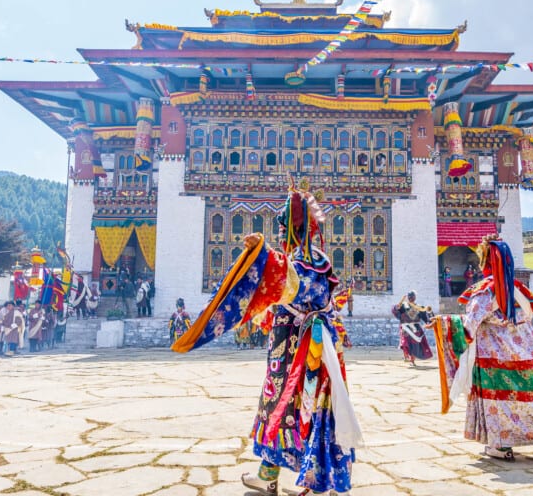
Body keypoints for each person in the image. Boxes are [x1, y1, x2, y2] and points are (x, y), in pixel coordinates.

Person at [171, 181, 361, 496]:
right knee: (289, 409)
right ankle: (275, 476)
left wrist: (261, 254)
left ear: (291, 226)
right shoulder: (312, 259)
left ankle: (309, 481)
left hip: (298, 351)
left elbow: (293, 286)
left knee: (292, 406)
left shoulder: (305, 261)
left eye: (285, 224)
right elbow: (285, 293)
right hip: (301, 346)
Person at [435, 234, 533, 461]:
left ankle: (501, 445)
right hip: (529, 352)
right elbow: (531, 313)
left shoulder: (484, 291)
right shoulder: (520, 291)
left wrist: (443, 323)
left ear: (485, 261)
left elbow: (469, 326)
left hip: (496, 354)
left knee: (501, 399)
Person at [392, 290, 433, 366]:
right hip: (406, 327)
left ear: (415, 297)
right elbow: (395, 311)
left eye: (412, 296)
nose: (411, 298)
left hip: (416, 328)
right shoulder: (403, 305)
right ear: (408, 297)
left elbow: (425, 317)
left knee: (415, 345)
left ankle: (412, 360)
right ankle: (406, 357)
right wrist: (397, 307)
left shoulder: (419, 307)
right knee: (405, 343)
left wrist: (429, 321)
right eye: (410, 297)